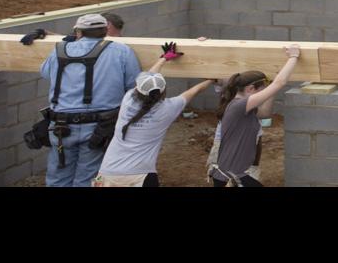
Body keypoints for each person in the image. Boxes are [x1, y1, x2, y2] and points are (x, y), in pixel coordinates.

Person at [38, 13, 142, 187]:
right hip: (99, 126)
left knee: (58, 177)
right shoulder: (121, 50)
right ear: (104, 31)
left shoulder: (59, 49)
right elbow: (133, 84)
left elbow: (46, 73)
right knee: (88, 178)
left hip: (61, 125)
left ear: (78, 32)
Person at [93, 42, 213, 187]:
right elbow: (194, 91)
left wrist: (163, 58)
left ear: (138, 89)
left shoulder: (128, 99)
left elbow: (149, 77)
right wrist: (211, 80)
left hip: (107, 172)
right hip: (139, 176)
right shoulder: (167, 109)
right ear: (163, 91)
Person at [207, 44, 299, 188]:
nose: (264, 93)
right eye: (262, 90)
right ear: (250, 89)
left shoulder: (242, 107)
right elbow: (279, 83)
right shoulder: (239, 106)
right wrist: (294, 56)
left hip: (231, 176)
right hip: (231, 178)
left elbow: (264, 112)